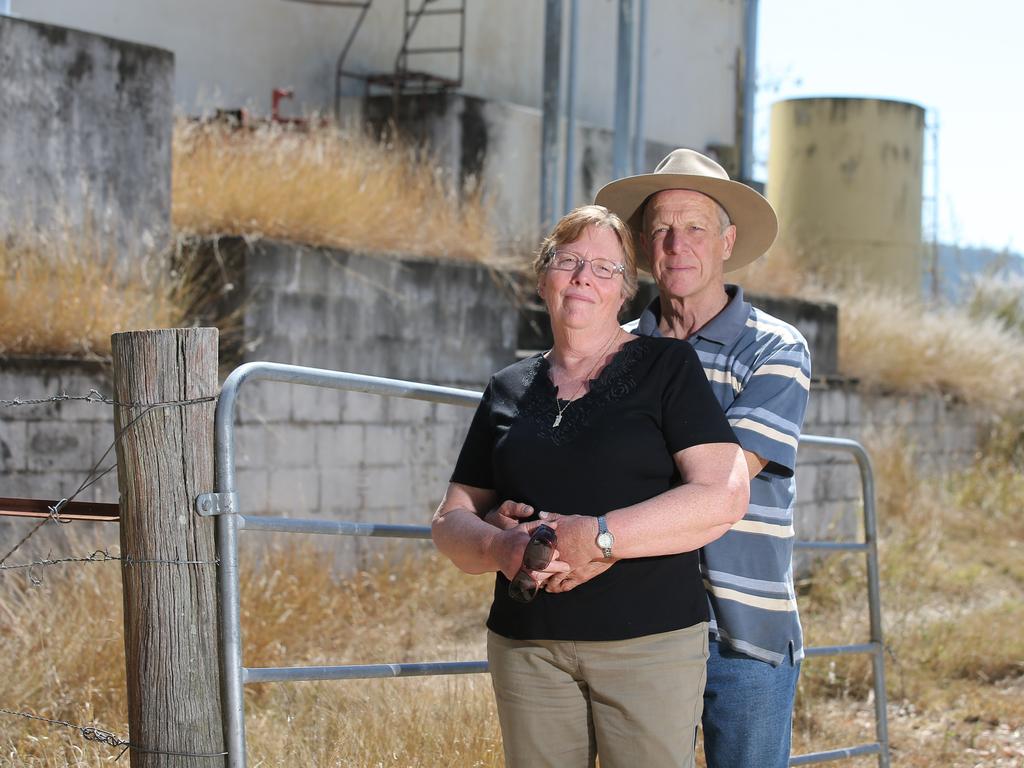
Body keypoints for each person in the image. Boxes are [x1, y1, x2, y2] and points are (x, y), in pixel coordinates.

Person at [431, 204, 750, 768]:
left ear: (625, 291)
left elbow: (724, 493)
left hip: (648, 646)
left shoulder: (667, 368)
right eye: (569, 260)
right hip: (527, 646)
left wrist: (598, 537)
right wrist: (497, 547)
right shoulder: (507, 387)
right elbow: (449, 519)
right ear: (541, 277)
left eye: (605, 268)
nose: (583, 277)